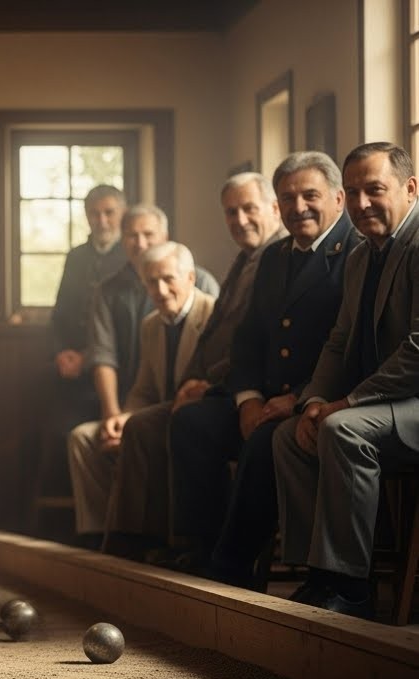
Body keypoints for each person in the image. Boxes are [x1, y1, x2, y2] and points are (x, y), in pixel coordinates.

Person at [169, 151, 362, 585]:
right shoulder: (274, 257)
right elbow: (249, 339)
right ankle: (205, 551)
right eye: (287, 198)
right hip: (263, 398)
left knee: (263, 444)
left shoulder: (356, 250)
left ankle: (232, 570)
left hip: (316, 398)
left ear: (336, 197)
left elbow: (351, 347)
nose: (298, 208)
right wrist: (247, 400)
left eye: (310, 196)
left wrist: (295, 398)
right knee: (193, 424)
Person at [273, 142, 419, 620]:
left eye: (374, 190)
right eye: (352, 192)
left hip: (412, 401)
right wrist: (313, 400)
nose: (360, 204)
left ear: (410, 188)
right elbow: (338, 342)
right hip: (382, 404)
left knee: (343, 429)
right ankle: (316, 574)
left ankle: (351, 587)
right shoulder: (362, 256)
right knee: (293, 435)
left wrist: (349, 402)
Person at [105, 173, 286, 557]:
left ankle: (192, 546)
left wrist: (211, 385)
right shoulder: (244, 261)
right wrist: (195, 382)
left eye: (248, 208)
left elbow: (255, 345)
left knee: (186, 421)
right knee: (140, 423)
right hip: (214, 384)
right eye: (231, 212)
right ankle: (133, 540)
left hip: (247, 390)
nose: (239, 220)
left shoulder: (279, 257)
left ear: (273, 208)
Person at [67, 241, 215, 540]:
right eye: (151, 282)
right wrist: (122, 418)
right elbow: (144, 390)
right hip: (152, 416)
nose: (159, 290)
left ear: (189, 278)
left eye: (168, 279)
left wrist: (134, 423)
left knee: (141, 432)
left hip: (193, 419)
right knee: (83, 437)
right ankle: (97, 534)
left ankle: (130, 540)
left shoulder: (213, 314)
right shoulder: (151, 325)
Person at [36, 186, 126, 499]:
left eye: (109, 213)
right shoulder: (76, 257)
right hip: (71, 374)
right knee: (55, 436)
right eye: (94, 213)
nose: (101, 220)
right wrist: (62, 353)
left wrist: (89, 357)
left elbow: (126, 330)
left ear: (121, 214)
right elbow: (59, 314)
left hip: (117, 373)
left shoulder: (131, 255)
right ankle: (60, 527)